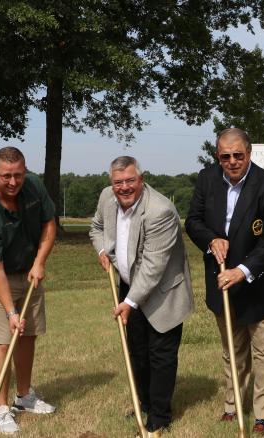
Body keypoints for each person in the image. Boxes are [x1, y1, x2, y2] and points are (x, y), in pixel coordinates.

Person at [185, 127, 264, 434]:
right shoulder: (207, 180)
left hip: (263, 285)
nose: (232, 162)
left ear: (249, 153)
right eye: (225, 156)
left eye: (238, 155)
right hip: (222, 283)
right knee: (232, 350)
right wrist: (211, 240)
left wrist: (242, 271)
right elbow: (193, 221)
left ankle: (262, 415)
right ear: (217, 156)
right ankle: (232, 406)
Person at [90, 156, 194, 436]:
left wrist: (129, 303)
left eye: (130, 180)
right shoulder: (106, 198)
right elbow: (96, 228)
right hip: (128, 286)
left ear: (142, 178)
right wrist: (102, 252)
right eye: (118, 182)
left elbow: (153, 266)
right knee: (137, 352)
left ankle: (159, 418)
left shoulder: (160, 210)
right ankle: (145, 404)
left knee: (160, 354)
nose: (124, 187)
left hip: (163, 291)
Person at [0, 146, 57, 435]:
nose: (13, 182)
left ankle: (24, 396)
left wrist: (40, 262)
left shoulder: (33, 187)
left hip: (29, 271)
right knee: (4, 341)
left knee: (29, 334)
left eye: (18, 175)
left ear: (25, 171)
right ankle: (1, 409)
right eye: (6, 176)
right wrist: (10, 311)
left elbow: (49, 224)